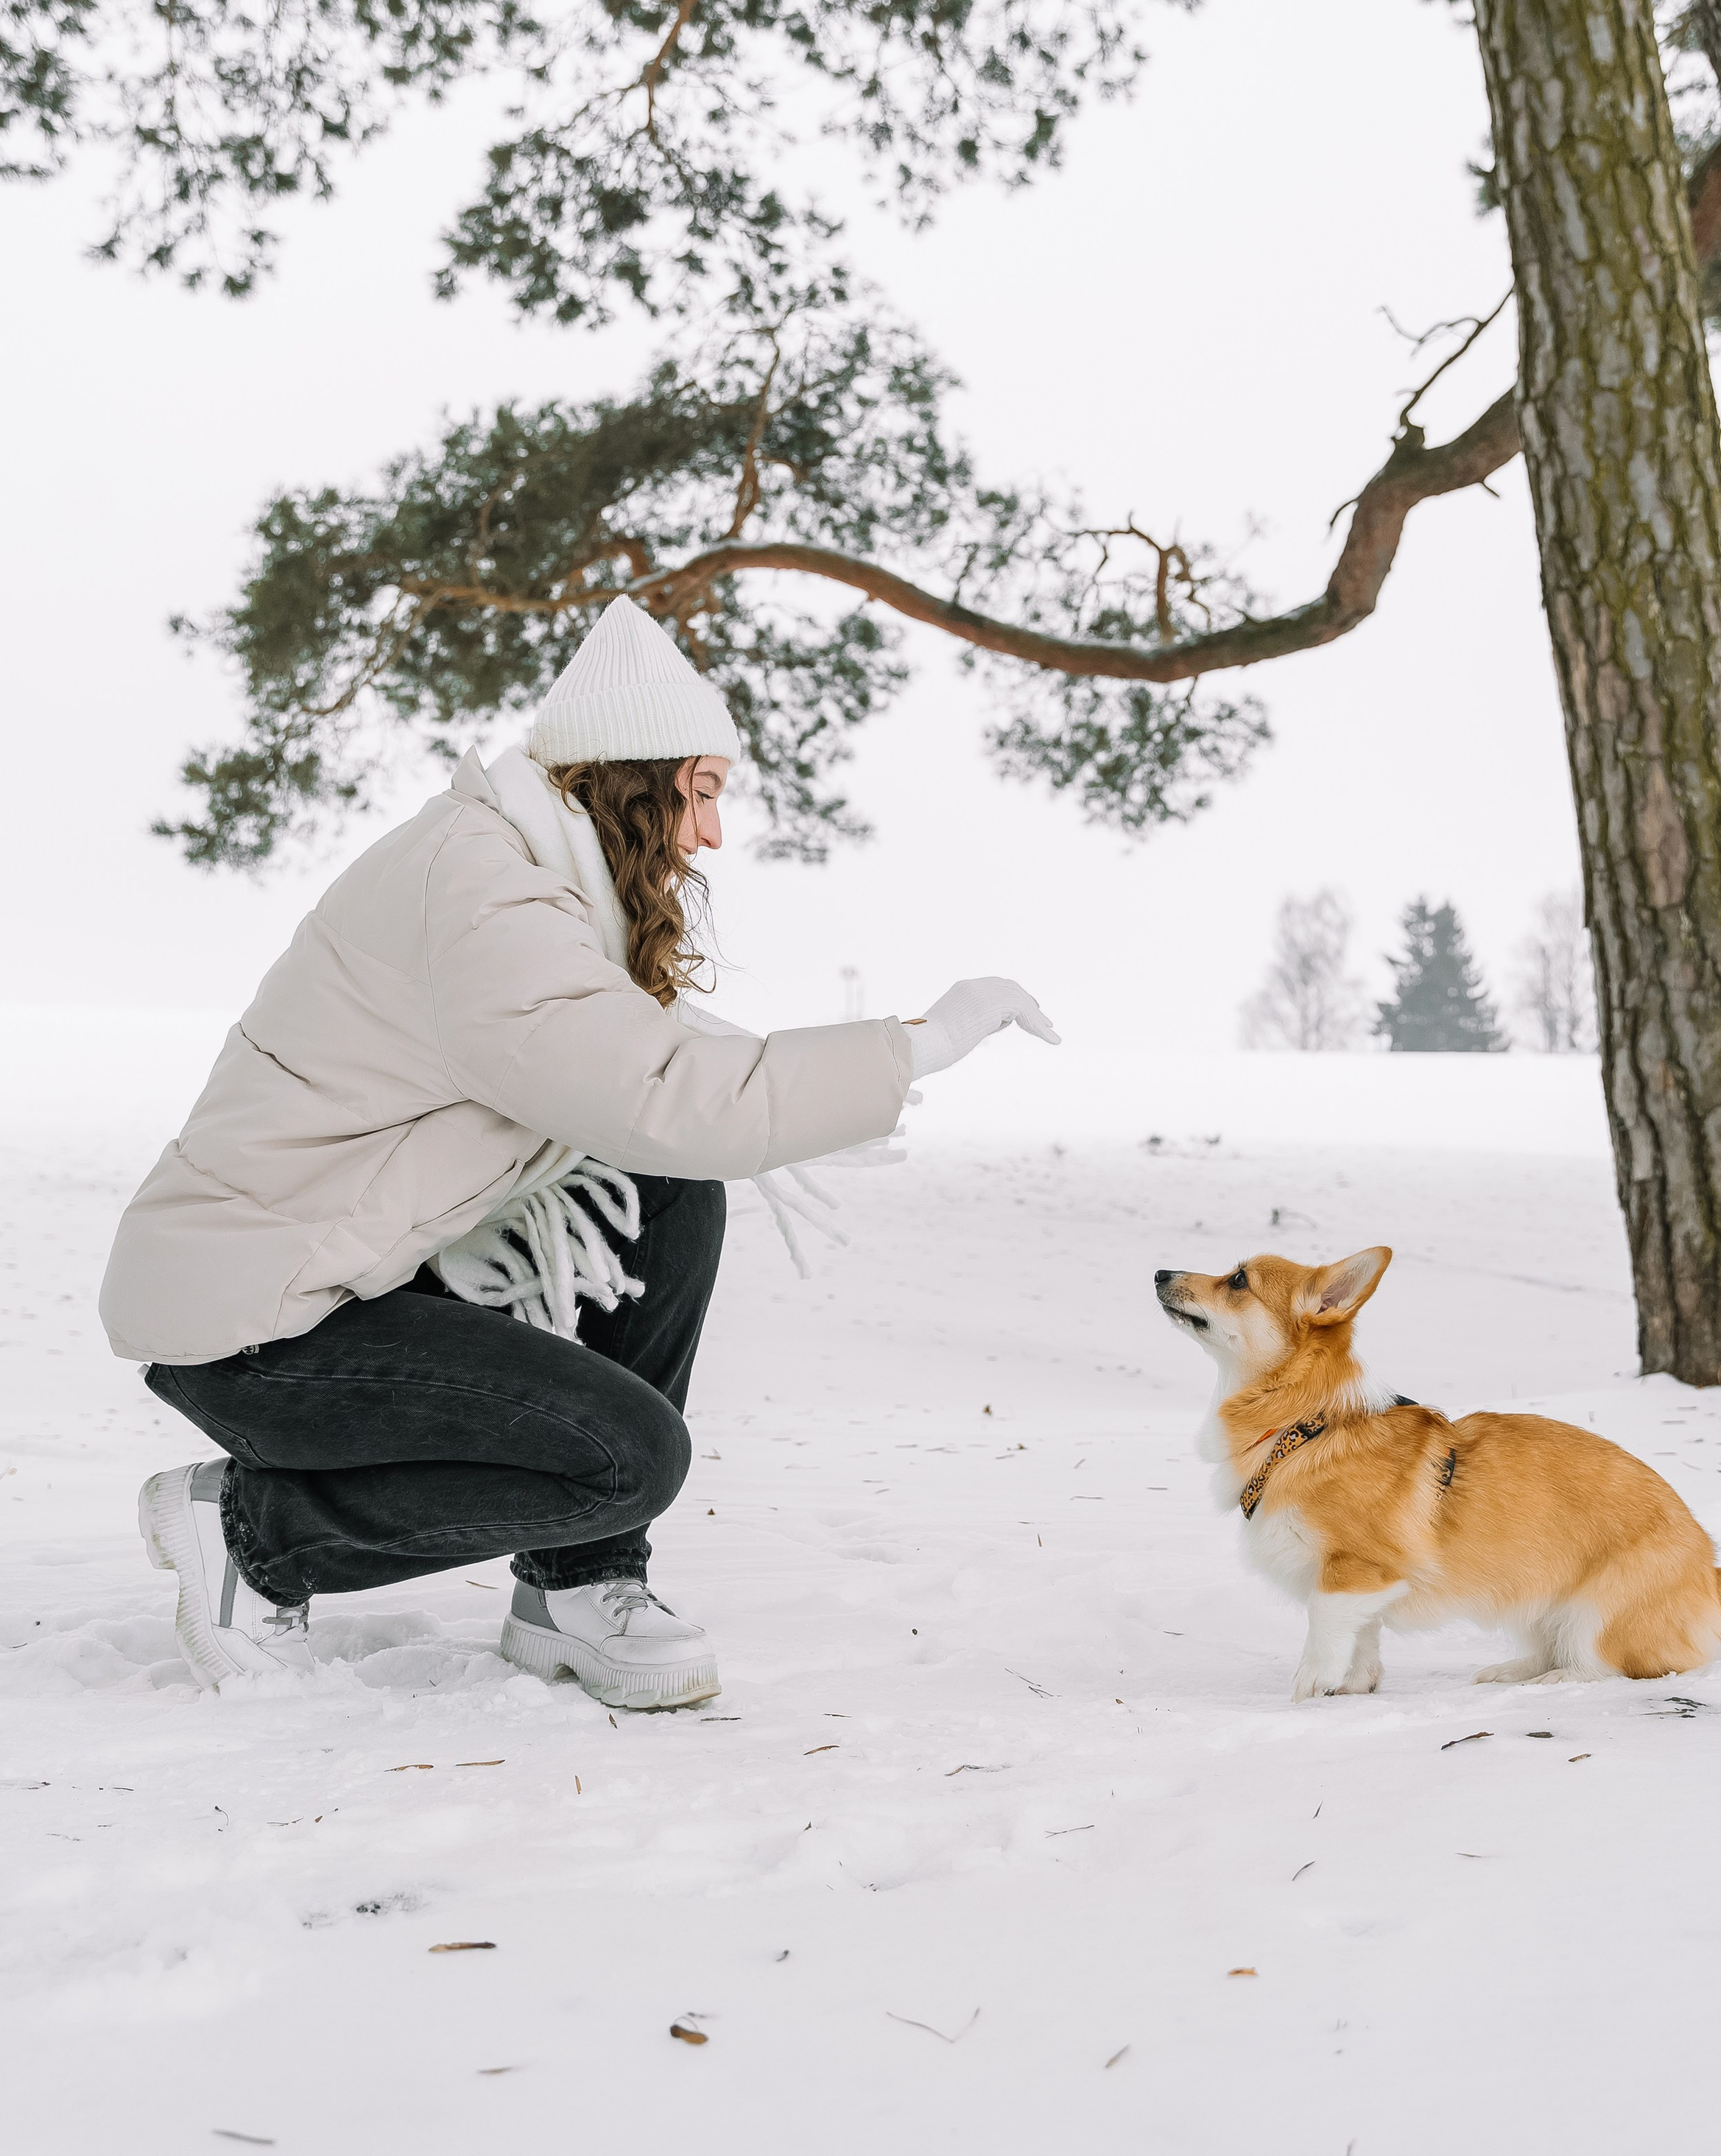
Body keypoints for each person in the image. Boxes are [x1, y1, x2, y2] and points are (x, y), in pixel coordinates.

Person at [102, 597, 1057, 1708]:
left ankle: (574, 1583)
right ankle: (253, 1532)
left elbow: (662, 1083)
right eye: (700, 794)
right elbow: (665, 1089)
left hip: (345, 1274)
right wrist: (920, 1044)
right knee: (629, 1458)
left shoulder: (526, 880)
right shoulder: (483, 894)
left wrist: (883, 1050)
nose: (710, 835)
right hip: (256, 1327)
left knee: (665, 1191)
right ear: (633, 780)